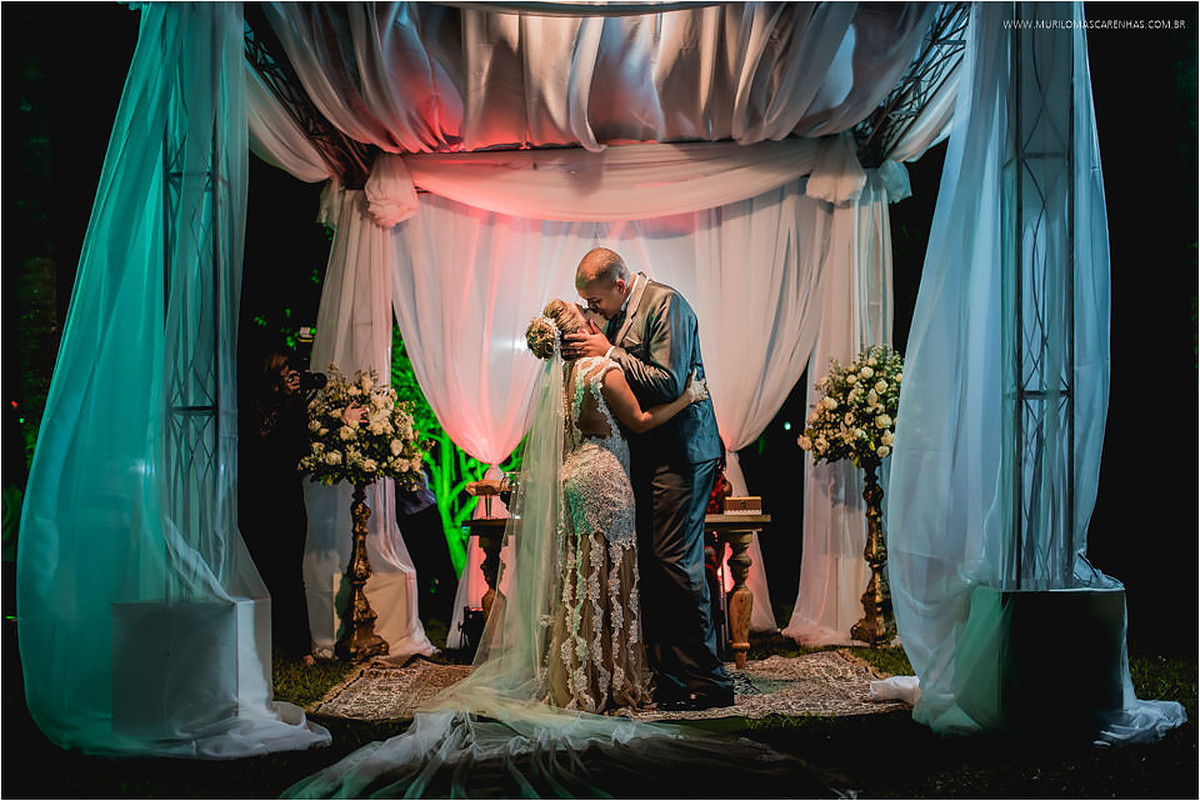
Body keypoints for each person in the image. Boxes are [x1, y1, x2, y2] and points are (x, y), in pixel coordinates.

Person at [565, 246, 733, 711]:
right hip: (649, 454)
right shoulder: (613, 314)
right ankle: (671, 675)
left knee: (675, 561)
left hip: (684, 452)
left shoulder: (667, 304)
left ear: (619, 286)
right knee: (654, 566)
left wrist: (610, 351)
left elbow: (670, 383)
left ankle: (709, 678)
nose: (592, 312)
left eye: (596, 302)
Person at [526, 298, 707, 713]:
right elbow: (641, 420)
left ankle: (578, 676)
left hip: (571, 479)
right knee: (612, 579)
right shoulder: (601, 370)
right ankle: (611, 680)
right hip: (604, 481)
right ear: (582, 324)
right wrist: (689, 396)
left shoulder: (562, 377)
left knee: (581, 578)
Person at [239, 351, 315, 666]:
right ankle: (263, 644)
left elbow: (300, 450)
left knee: (291, 575)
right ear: (272, 376)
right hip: (256, 501)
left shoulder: (295, 409)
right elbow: (255, 450)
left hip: (286, 501)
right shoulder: (251, 408)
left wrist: (295, 400)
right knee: (261, 573)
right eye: (286, 371)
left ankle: (300, 647)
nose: (292, 377)